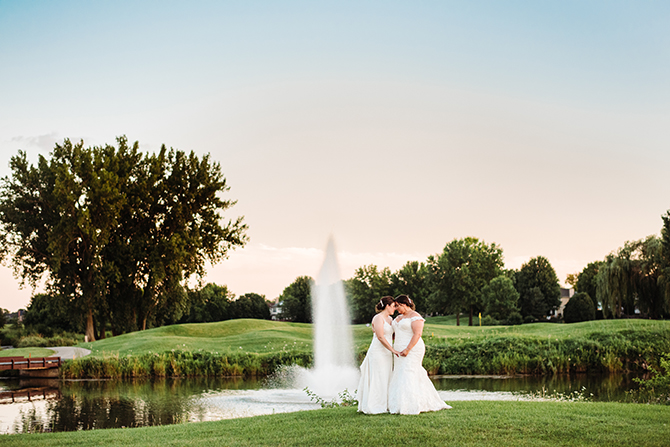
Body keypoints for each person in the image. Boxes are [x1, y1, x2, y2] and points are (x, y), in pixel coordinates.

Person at [388, 294, 451, 414]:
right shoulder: (398, 318)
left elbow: (417, 334)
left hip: (412, 349)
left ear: (404, 305)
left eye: (398, 306)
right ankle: (399, 403)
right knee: (399, 373)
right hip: (398, 349)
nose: (396, 309)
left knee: (408, 372)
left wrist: (407, 349)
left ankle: (412, 403)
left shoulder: (416, 317)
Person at [356, 296, 400, 414]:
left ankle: (385, 404)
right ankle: (374, 404)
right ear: (387, 306)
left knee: (386, 376)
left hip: (387, 352)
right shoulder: (378, 318)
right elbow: (380, 336)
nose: (394, 309)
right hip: (378, 352)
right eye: (393, 306)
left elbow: (392, 334)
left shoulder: (390, 320)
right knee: (378, 376)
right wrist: (393, 350)